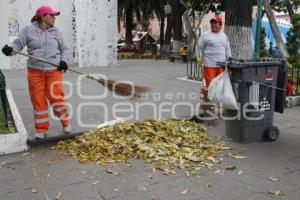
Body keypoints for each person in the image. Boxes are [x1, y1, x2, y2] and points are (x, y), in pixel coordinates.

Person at [2, 5, 71, 139]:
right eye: (51, 15)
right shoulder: (28, 30)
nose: (54, 18)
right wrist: (10, 50)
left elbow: (65, 49)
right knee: (38, 101)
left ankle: (66, 123)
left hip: (54, 71)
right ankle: (41, 129)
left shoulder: (56, 32)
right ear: (43, 17)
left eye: (54, 16)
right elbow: (17, 45)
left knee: (57, 99)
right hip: (35, 72)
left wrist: (64, 61)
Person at [197, 16, 231, 86]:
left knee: (220, 85)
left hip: (221, 65)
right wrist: (199, 58)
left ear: (220, 25)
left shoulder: (224, 36)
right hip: (209, 64)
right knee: (210, 85)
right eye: (212, 23)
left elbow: (227, 49)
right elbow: (199, 47)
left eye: (216, 23)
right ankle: (210, 97)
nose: (213, 25)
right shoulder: (205, 35)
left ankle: (217, 97)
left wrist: (229, 59)